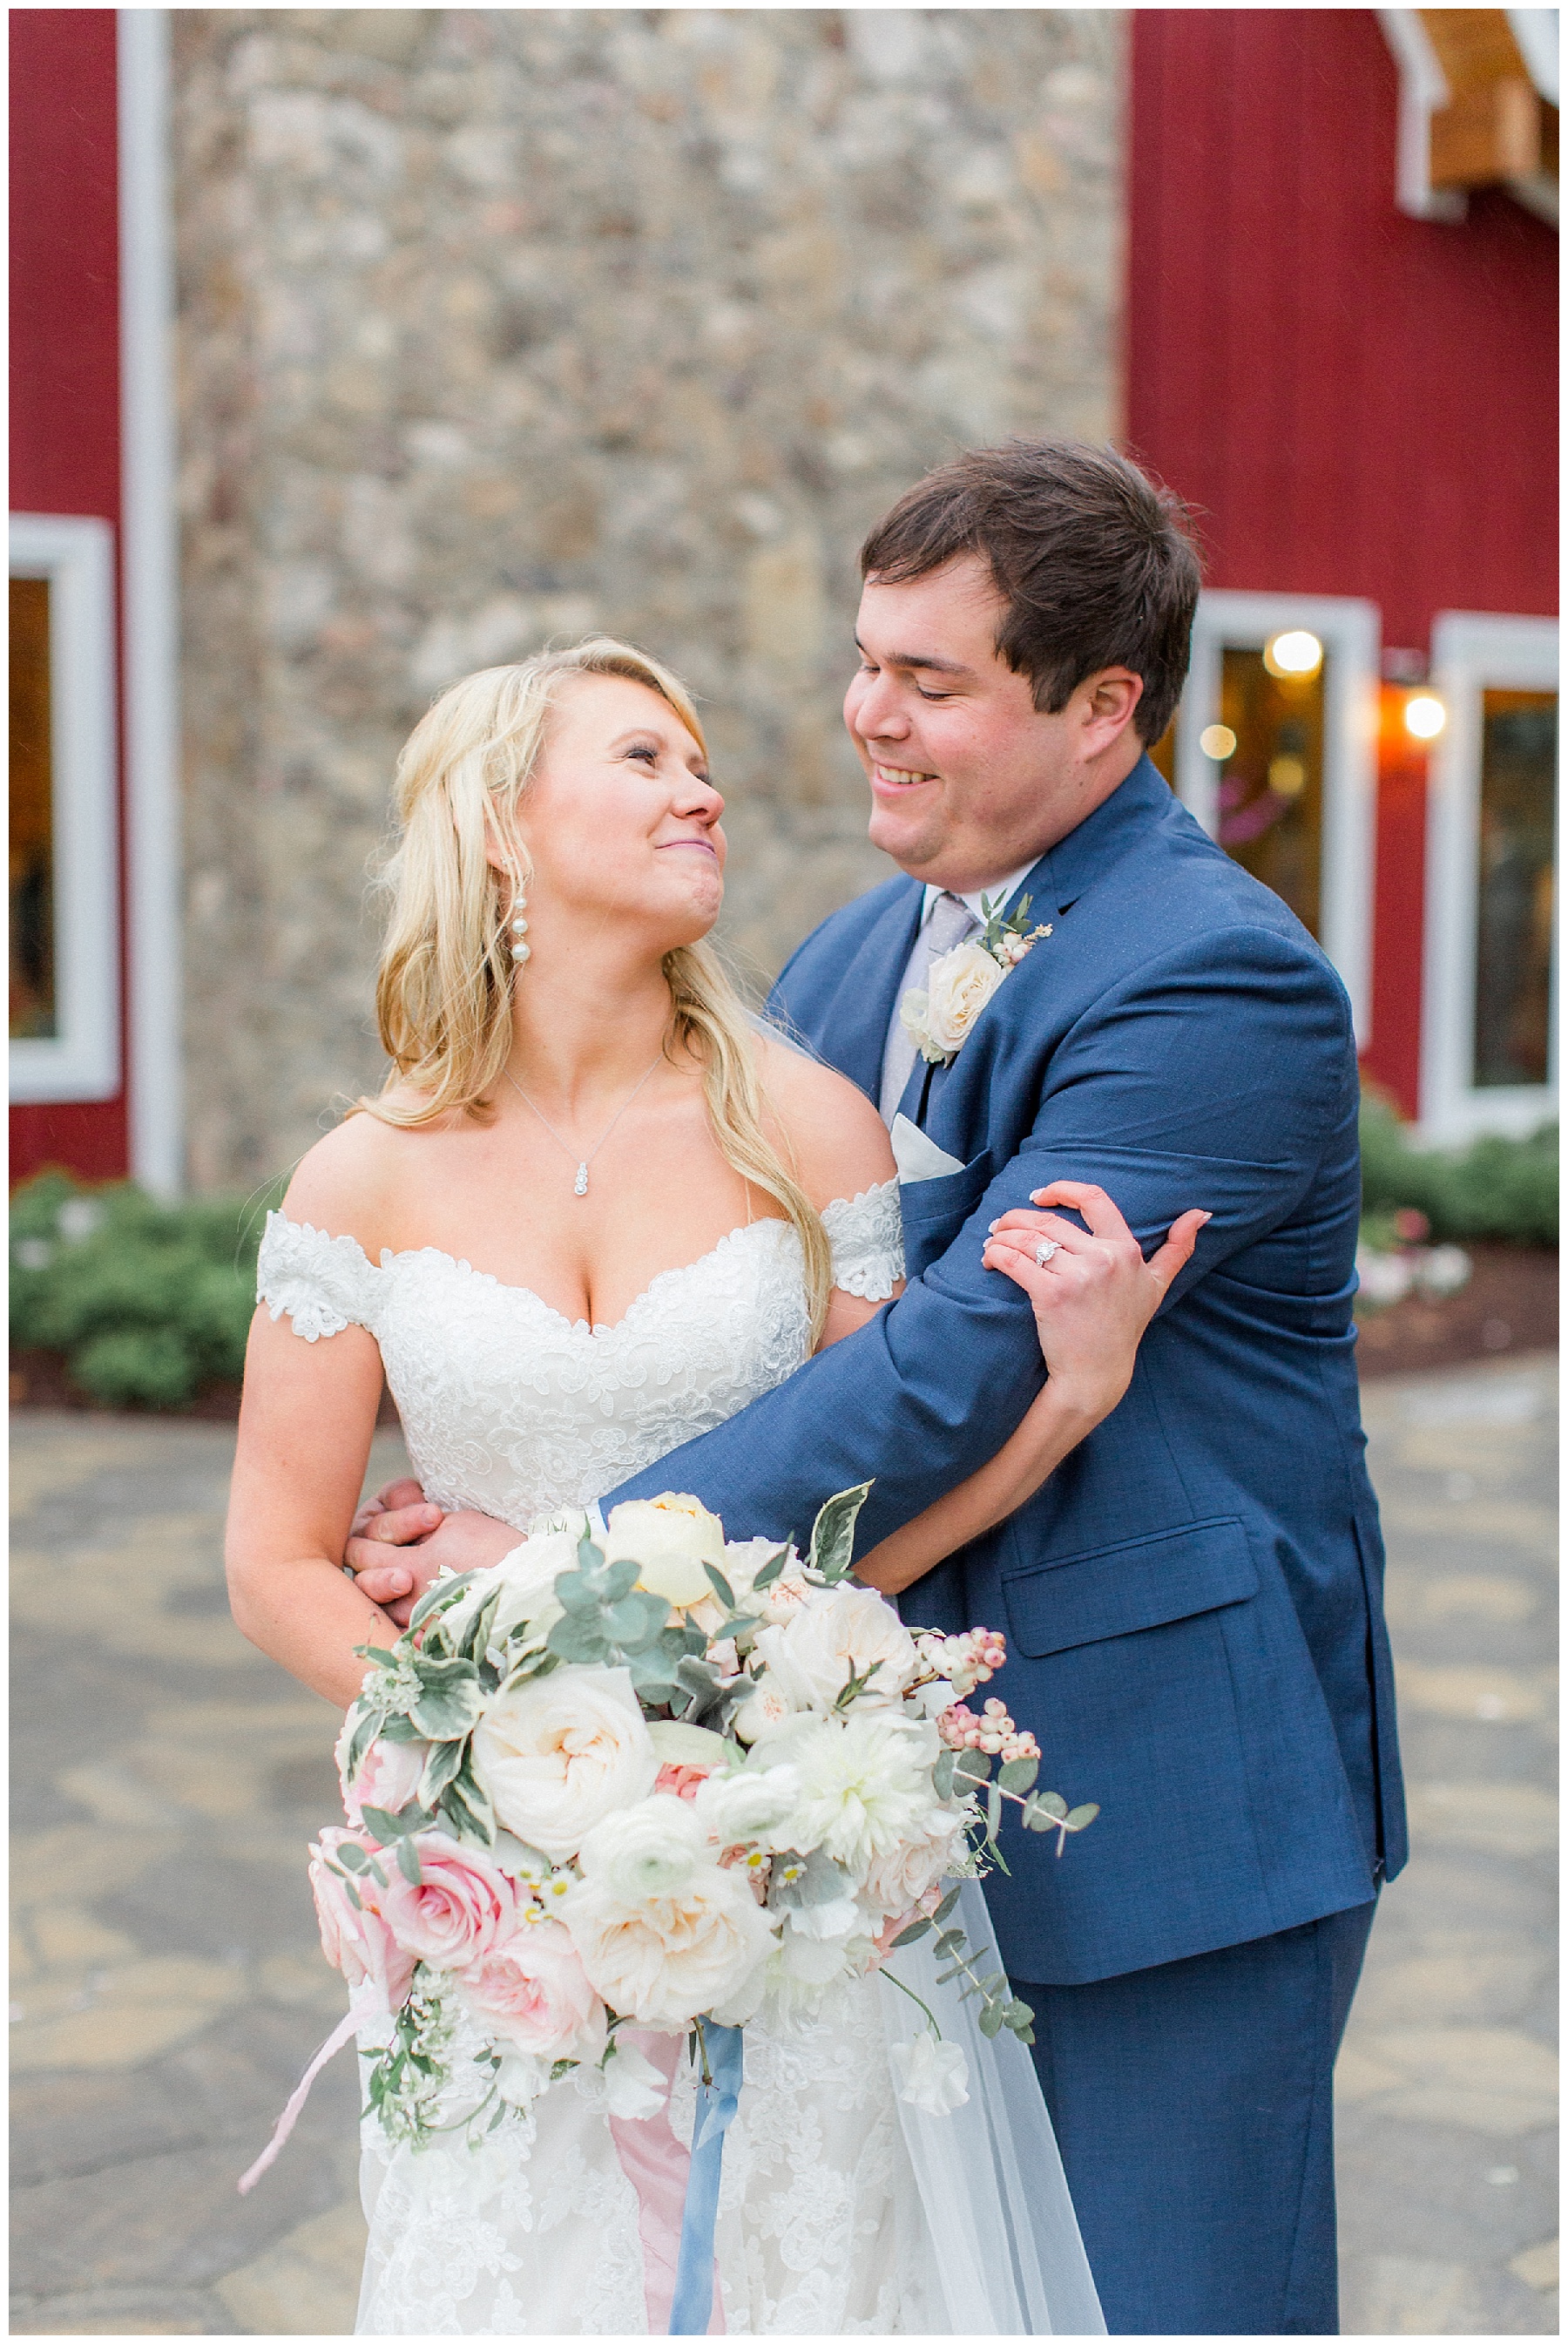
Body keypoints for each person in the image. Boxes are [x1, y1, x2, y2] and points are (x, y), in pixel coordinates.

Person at [349, 442, 1408, 2336]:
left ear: (1105, 712)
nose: (864, 717)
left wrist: (566, 1567)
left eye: (932, 682)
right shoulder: (846, 956)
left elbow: (954, 1364)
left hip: (1157, 1795)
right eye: (866, 661)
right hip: (853, 1788)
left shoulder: (1217, 985)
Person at [226, 635, 1200, 2334]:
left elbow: (880, 1518)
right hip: (507, 1882)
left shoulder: (805, 1131)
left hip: (778, 1846)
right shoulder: (363, 1173)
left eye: (702, 760)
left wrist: (1071, 1402)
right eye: (644, 758)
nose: (705, 788)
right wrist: (495, 1744)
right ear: (502, 830)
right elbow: (278, 1557)